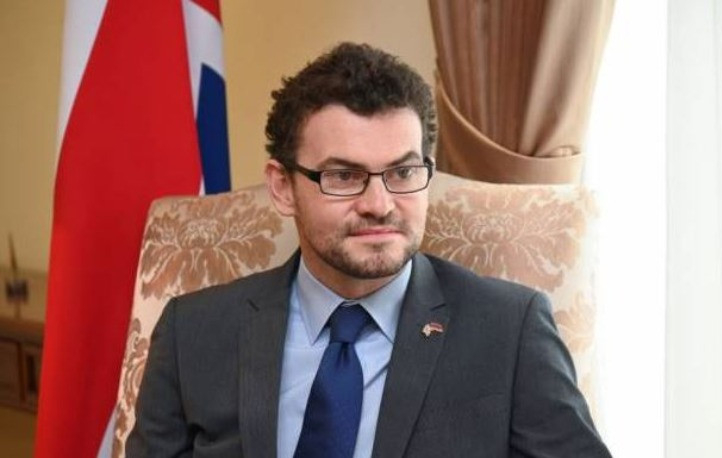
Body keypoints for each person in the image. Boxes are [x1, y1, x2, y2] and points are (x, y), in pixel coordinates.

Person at [127, 42, 611, 458]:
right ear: (283, 187)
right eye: (343, 176)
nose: (379, 205)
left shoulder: (509, 329)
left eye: (403, 173)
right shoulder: (194, 332)